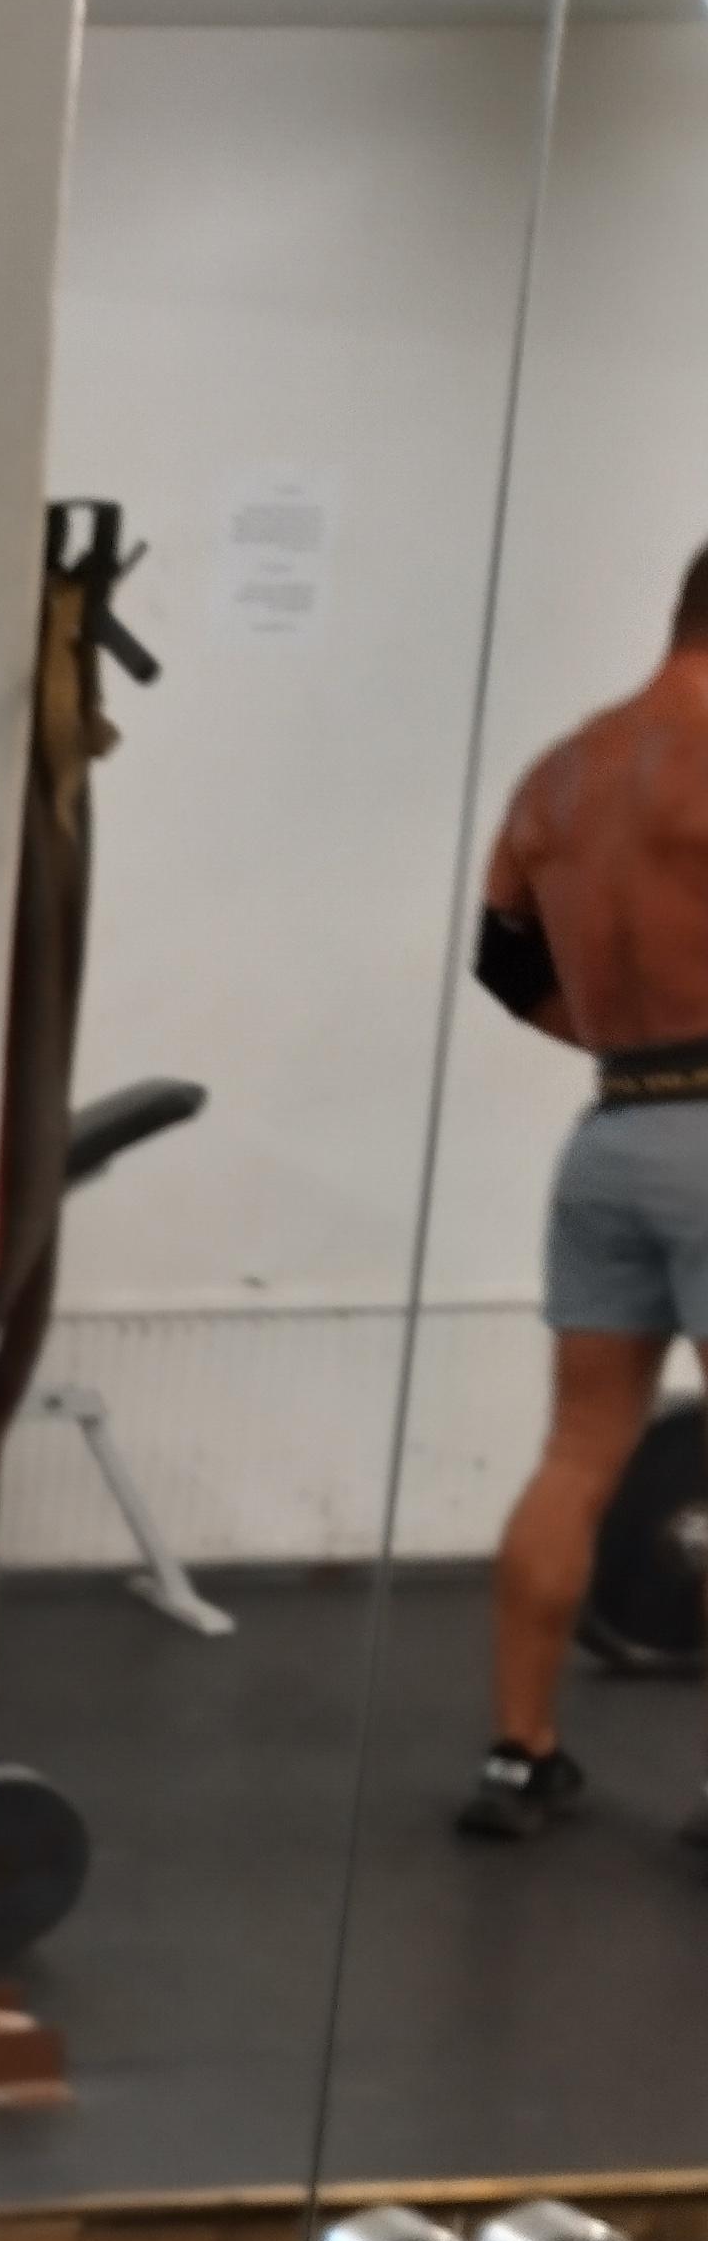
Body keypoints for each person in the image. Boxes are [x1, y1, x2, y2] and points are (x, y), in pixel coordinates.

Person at [459, 541, 708, 1844]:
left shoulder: (561, 769)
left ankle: (520, 1755)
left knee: (577, 1453)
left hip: (615, 1131)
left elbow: (505, 967)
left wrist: (646, 1054)